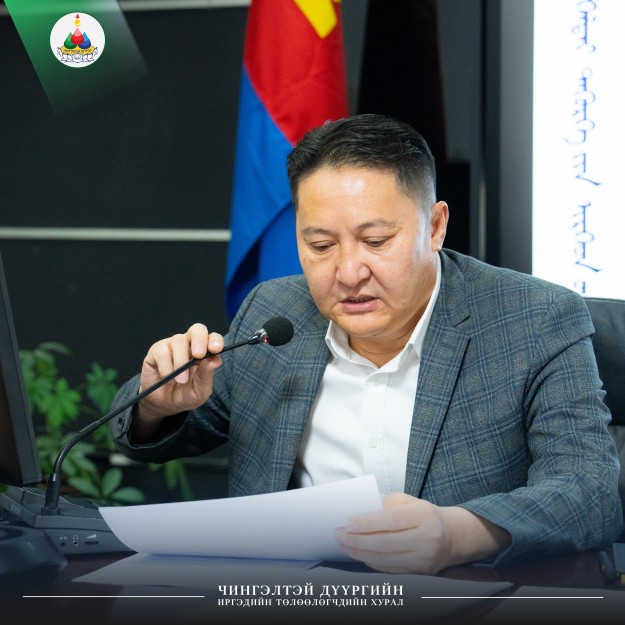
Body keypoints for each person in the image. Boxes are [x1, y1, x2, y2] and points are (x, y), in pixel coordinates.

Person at [111, 113, 623, 574]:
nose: (349, 272)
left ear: (435, 227)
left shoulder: (535, 319)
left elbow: (590, 492)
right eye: (320, 245)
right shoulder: (276, 311)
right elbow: (163, 433)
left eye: (376, 241)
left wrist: (457, 533)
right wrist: (157, 404)